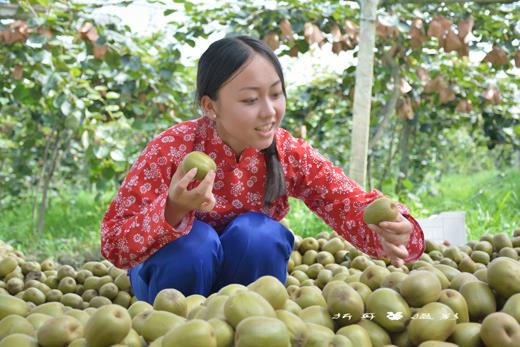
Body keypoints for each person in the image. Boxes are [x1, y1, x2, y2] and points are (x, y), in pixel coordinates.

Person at [100, 35, 425, 304]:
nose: (269, 112)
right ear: (210, 107)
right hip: (170, 293)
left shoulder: (287, 153)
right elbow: (114, 242)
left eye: (275, 94)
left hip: (245, 301)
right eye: (250, 100)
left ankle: (254, 325)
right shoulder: (173, 148)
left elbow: (342, 200)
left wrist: (391, 227)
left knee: (260, 236)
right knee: (194, 243)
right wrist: (173, 208)